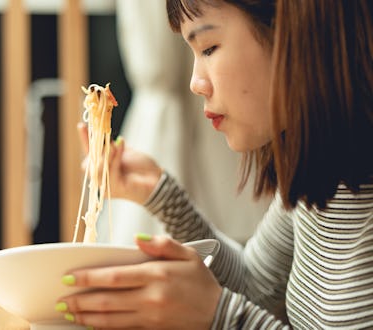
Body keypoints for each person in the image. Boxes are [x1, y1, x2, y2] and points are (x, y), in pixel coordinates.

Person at [57, 0, 373, 328]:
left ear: (290, 32)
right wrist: (161, 194)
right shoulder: (316, 173)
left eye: (208, 48)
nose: (196, 83)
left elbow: (236, 304)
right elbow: (254, 284)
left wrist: (219, 315)